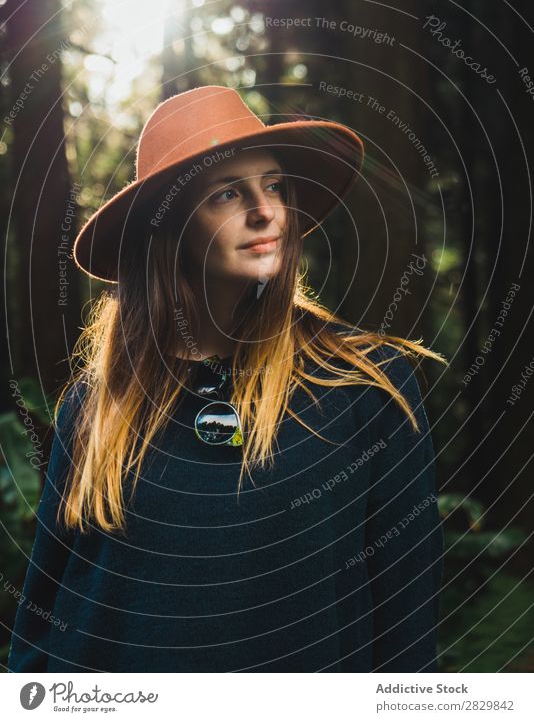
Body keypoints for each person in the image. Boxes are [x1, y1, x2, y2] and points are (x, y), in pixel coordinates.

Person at [8, 85, 447, 673]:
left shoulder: (366, 386)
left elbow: (407, 618)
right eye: (225, 193)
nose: (264, 210)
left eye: (274, 186)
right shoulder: (95, 405)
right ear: (171, 230)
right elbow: (45, 616)